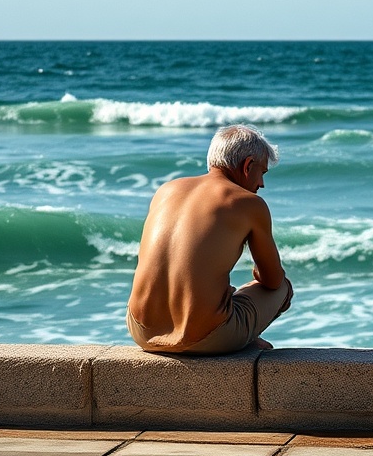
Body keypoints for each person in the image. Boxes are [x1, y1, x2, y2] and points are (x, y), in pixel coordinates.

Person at [126, 124, 293, 355]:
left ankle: (235, 330)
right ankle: (241, 336)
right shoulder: (249, 203)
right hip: (207, 338)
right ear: (247, 165)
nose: (261, 184)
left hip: (140, 331)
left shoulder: (166, 190)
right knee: (283, 288)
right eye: (262, 173)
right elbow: (273, 280)